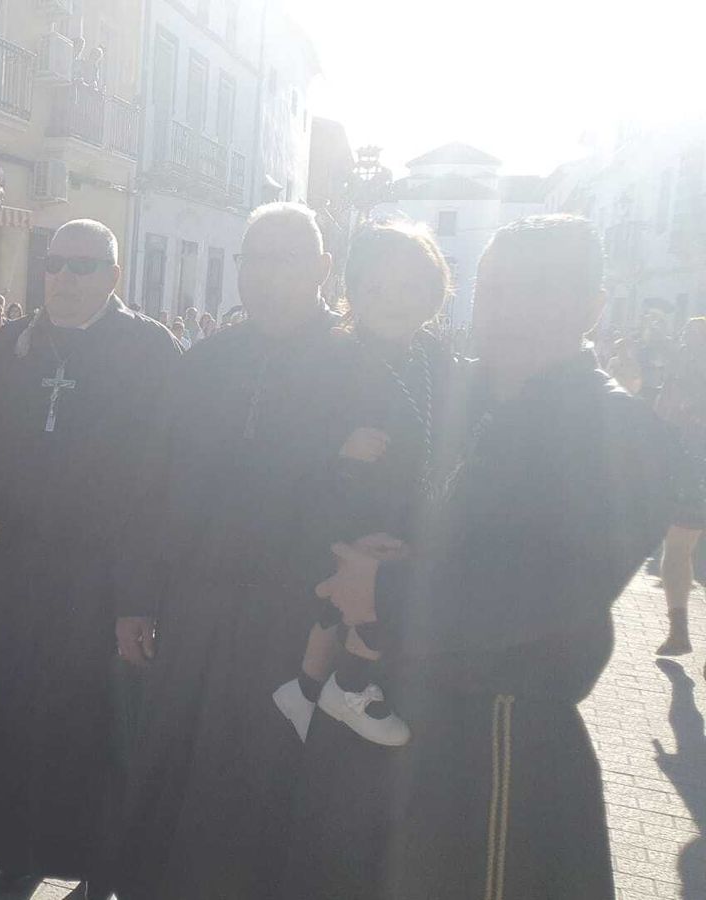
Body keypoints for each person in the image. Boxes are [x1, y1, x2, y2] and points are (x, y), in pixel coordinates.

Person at [301, 215, 675, 898]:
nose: (508, 310)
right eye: (495, 289)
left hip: (498, 750)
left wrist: (382, 589)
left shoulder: (618, 429)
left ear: (593, 306)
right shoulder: (469, 396)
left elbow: (547, 590)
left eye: (538, 290)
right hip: (403, 719)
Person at [113, 203, 370, 899]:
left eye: (284, 260)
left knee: (262, 781)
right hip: (194, 604)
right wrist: (135, 598)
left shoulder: (357, 365)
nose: (264, 276)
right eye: (252, 260)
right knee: (171, 763)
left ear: (322, 268)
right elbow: (153, 483)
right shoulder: (205, 361)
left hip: (293, 618)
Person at [0, 220, 180, 893]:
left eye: (83, 265)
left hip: (102, 571)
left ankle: (95, 862)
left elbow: (160, 484)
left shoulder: (149, 351)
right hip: (17, 561)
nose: (65, 278)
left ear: (114, 275)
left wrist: (138, 598)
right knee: (12, 703)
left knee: (88, 715)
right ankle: (16, 845)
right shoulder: (11, 344)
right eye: (55, 263)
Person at [270, 223, 454, 750]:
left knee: (354, 605)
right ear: (352, 291)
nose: (393, 301)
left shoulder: (436, 359)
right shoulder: (331, 356)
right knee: (353, 601)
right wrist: (338, 444)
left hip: (405, 505)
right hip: (343, 507)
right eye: (376, 287)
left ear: (435, 293)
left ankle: (306, 690)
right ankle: (347, 687)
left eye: (410, 287)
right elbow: (285, 439)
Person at [655, 318, 706, 655]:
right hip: (690, 469)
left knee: (677, 549)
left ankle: (679, 631)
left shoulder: (681, 370)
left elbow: (662, 413)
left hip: (689, 470)